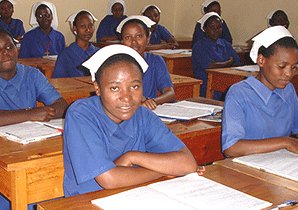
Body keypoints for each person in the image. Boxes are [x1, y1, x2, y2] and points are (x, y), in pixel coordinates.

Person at [63, 44, 197, 197]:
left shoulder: (142, 115)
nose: (126, 97)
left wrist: (133, 156)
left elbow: (188, 163)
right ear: (98, 88)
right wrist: (163, 170)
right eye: (115, 88)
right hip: (88, 201)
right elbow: (109, 179)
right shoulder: (81, 113)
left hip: (135, 194)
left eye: (134, 87)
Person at [0, 28, 67, 209]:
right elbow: (33, 114)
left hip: (30, 145)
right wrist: (30, 114)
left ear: (17, 49)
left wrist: (47, 111)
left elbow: (60, 105)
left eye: (9, 47)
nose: (5, 53)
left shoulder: (31, 75)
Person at [222, 26, 298, 158]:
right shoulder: (239, 93)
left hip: (282, 163)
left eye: (294, 67)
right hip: (248, 167)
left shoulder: (288, 89)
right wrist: (285, 142)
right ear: (261, 60)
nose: (289, 74)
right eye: (281, 66)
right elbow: (231, 148)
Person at [117, 15, 175, 110]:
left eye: (139, 36)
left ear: (148, 39)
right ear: (122, 41)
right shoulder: (115, 64)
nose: (134, 42)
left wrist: (152, 102)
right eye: (128, 37)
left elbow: (170, 93)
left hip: (149, 111)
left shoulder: (156, 61)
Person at [192, 12, 240, 98]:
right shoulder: (199, 46)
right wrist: (228, 62)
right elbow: (209, 65)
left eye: (219, 27)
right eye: (212, 28)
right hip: (207, 83)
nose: (216, 30)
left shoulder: (225, 44)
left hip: (226, 79)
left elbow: (237, 61)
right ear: (204, 29)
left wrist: (226, 63)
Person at [52, 10, 99, 78]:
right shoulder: (65, 55)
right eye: (83, 26)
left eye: (90, 26)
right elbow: (58, 82)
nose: (88, 30)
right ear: (75, 29)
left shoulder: (98, 53)